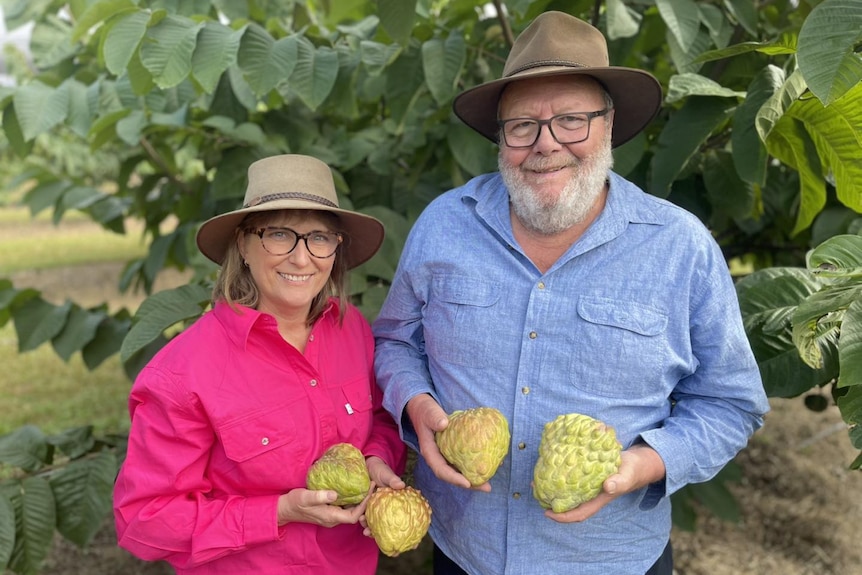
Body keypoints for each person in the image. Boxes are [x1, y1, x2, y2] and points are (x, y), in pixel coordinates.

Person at [372, 11, 770, 575]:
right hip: (466, 551)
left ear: (608, 126)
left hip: (612, 558)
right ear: (500, 138)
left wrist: (644, 463)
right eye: (522, 126)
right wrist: (416, 405)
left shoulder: (681, 248)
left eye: (572, 120)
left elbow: (730, 402)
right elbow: (393, 342)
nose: (545, 144)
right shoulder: (444, 225)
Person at [113, 154, 407, 574]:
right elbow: (145, 518)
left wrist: (378, 456)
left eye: (319, 237)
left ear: (336, 248)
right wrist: (280, 512)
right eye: (279, 234)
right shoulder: (183, 372)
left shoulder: (351, 329)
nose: (302, 259)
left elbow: (380, 418)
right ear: (243, 245)